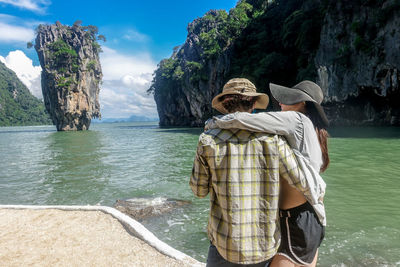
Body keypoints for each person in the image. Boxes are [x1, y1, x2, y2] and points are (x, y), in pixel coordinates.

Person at [206, 80, 329, 267]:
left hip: (292, 222)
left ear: (302, 102)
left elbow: (247, 120)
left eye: (287, 98)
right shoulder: (313, 130)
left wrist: (213, 123)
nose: (280, 102)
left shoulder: (297, 120)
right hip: (312, 216)